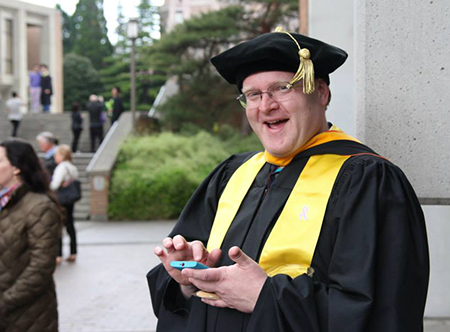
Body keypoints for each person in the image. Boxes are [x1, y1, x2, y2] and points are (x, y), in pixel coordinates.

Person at [147, 28, 429, 331]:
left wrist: (265, 296)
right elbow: (179, 289)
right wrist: (187, 279)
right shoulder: (232, 174)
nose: (265, 105)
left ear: (321, 93)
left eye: (282, 88)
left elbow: (385, 311)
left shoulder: (366, 181)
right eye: (253, 94)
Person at [0, 139, 62, 331]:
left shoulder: (40, 206)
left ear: (16, 168)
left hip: (28, 316)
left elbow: (41, 266)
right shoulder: (3, 202)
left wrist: (5, 302)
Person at [50, 144, 79, 264]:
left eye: (56, 154)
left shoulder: (61, 167)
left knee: (59, 226)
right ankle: (73, 252)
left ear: (62, 155)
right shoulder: (72, 167)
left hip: (61, 200)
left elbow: (54, 185)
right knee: (70, 225)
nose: (55, 157)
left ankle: (58, 255)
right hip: (70, 200)